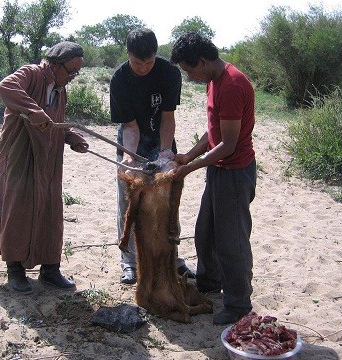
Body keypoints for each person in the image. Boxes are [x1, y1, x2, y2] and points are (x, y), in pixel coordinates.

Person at [0, 41, 89, 294]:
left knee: (51, 208)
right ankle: (15, 270)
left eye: (77, 72)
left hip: (49, 157)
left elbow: (56, 122)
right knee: (18, 208)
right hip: (20, 153)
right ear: (54, 64)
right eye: (71, 71)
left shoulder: (60, 88)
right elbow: (4, 87)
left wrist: (71, 136)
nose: (73, 77)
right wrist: (34, 110)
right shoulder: (32, 73)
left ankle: (50, 269)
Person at [170, 32, 257, 325]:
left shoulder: (232, 85)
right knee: (205, 230)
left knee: (232, 242)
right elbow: (213, 132)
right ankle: (209, 281)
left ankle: (238, 304)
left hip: (234, 172)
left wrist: (188, 169)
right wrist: (187, 156)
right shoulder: (213, 81)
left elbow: (228, 144)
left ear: (203, 61)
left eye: (189, 69)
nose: (190, 76)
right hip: (218, 169)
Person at [110, 28, 194, 285]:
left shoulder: (169, 73)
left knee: (167, 203)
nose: (144, 67)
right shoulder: (120, 79)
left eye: (149, 62)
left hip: (162, 142)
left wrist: (166, 152)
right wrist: (130, 157)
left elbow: (168, 118)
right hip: (131, 143)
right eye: (138, 62)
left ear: (157, 55)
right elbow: (130, 126)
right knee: (130, 202)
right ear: (128, 55)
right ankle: (130, 263)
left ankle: (172, 258)